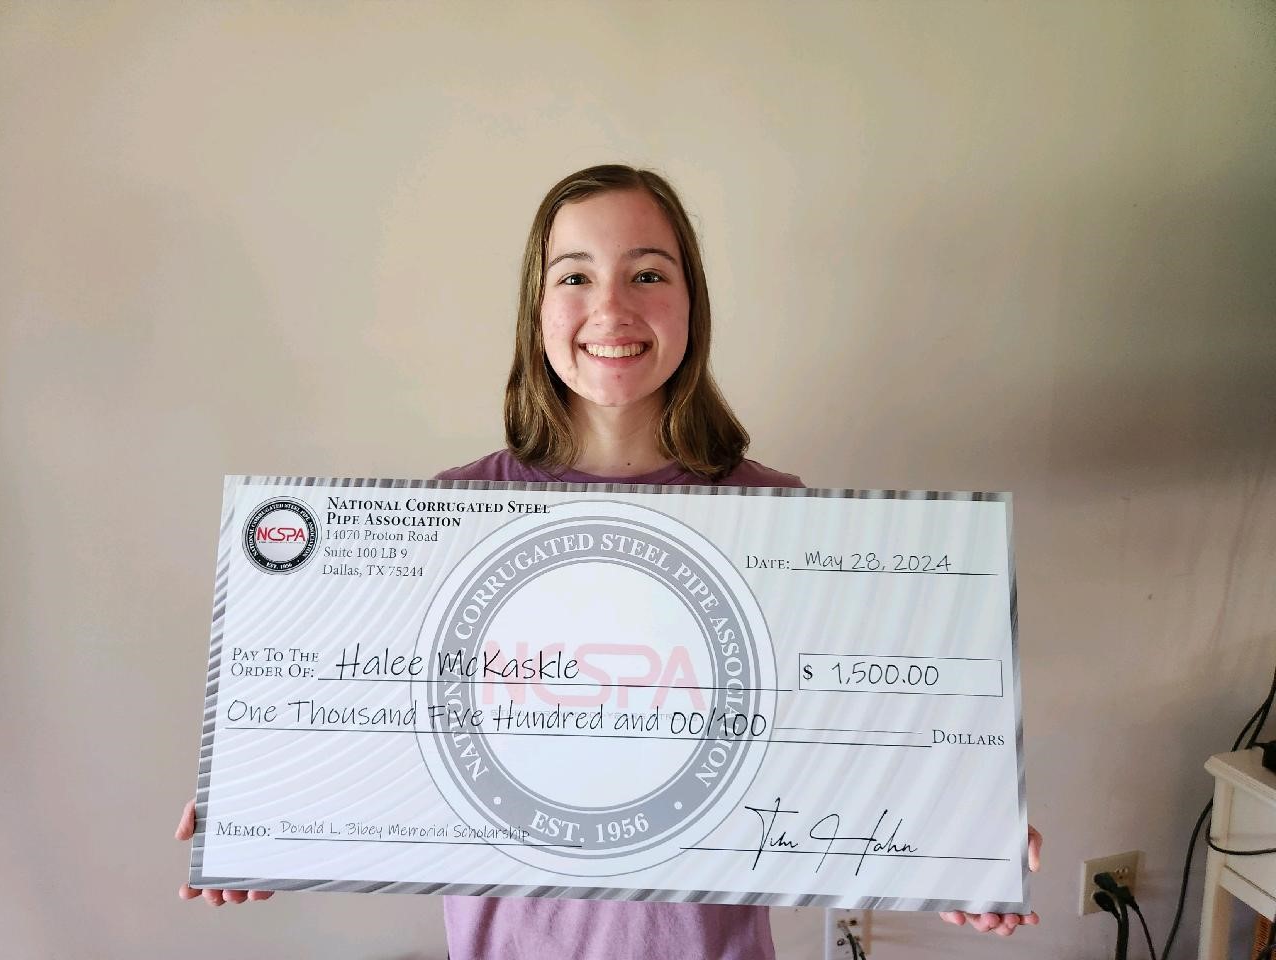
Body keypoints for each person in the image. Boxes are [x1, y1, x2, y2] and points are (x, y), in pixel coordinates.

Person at [176, 164, 1043, 954]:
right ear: (538, 309)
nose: (612, 308)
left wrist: (960, 839)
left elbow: (851, 743)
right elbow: (375, 731)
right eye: (575, 276)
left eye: (648, 274)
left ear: (691, 304)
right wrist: (261, 808)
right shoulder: (448, 518)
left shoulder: (783, 519)